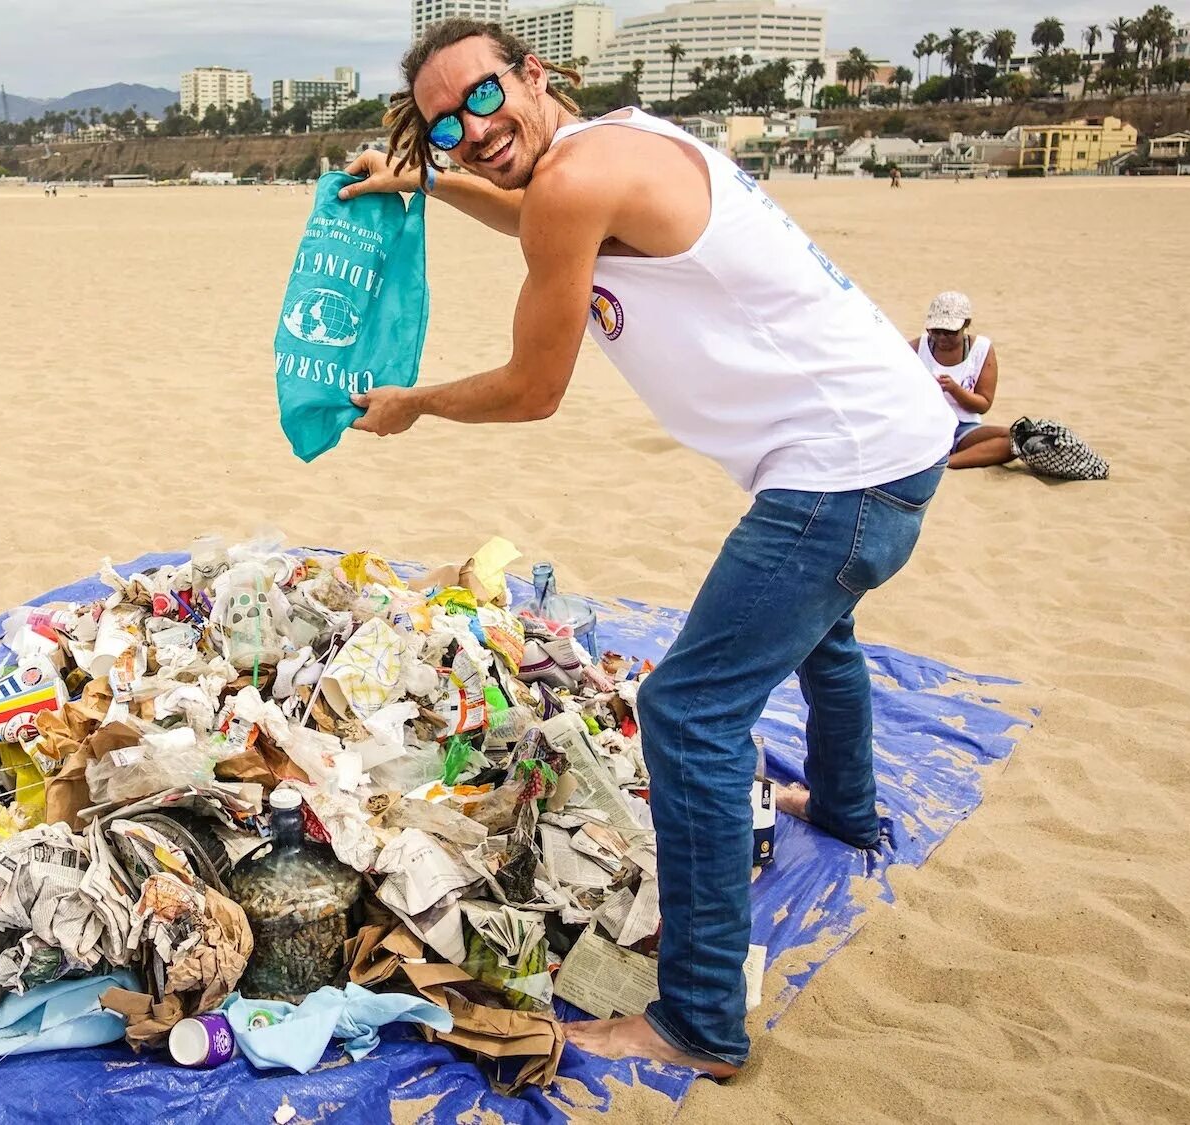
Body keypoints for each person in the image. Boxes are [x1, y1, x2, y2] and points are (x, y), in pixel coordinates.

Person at [339, 19, 954, 1077]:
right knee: (822, 629)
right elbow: (539, 214)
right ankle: (848, 810)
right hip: (886, 443)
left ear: (532, 76)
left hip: (840, 475)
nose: (469, 131)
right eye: (442, 125)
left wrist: (413, 405)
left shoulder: (575, 184)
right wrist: (424, 186)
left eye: (482, 99)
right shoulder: (601, 151)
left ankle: (696, 1023)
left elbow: (534, 390)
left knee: (687, 714)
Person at [915, 291, 1012, 469]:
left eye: (949, 332)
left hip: (964, 428)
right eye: (935, 332)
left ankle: (947, 464)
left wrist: (954, 390)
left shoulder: (982, 349)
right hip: (924, 426)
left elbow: (983, 405)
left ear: (966, 324)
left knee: (1013, 439)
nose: (942, 338)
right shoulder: (916, 348)